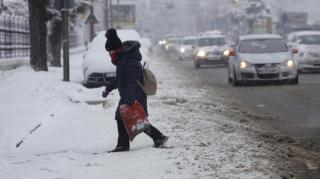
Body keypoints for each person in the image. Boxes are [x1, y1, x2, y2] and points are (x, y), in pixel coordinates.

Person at [102, 28, 169, 153]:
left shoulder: (128, 61)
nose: (109, 54)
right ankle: (158, 137)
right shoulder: (123, 60)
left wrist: (130, 100)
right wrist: (109, 88)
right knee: (136, 120)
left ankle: (123, 145)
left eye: (110, 51)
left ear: (116, 49)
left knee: (125, 117)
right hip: (130, 94)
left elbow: (133, 81)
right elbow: (120, 79)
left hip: (134, 95)